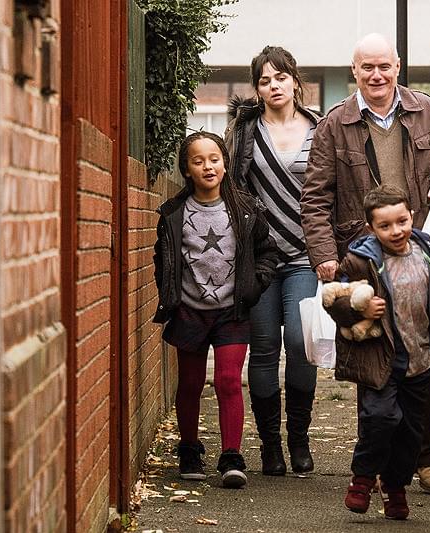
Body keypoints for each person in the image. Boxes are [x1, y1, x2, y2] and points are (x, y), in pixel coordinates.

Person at [300, 33, 430, 493]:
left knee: (425, 357)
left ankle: (425, 459)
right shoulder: (334, 124)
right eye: (367, 67)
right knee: (373, 361)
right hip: (364, 259)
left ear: (398, 66)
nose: (377, 75)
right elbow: (316, 197)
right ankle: (372, 464)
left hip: (419, 251)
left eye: (384, 66)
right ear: (354, 71)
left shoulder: (429, 110)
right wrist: (325, 257)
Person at [323, 185, 430, 519]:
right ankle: (363, 477)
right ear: (371, 228)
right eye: (385, 226)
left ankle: (395, 486)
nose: (396, 231)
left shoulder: (429, 249)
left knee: (411, 433)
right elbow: (334, 298)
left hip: (421, 360)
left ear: (411, 216)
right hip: (382, 359)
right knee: (380, 418)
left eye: (401, 221)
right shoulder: (360, 260)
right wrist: (359, 308)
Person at [152, 131, 278, 488]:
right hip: (189, 310)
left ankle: (231, 456)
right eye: (198, 161)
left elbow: (267, 251)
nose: (207, 166)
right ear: (186, 169)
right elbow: (162, 258)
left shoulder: (246, 208)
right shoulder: (174, 213)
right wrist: (170, 292)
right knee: (191, 383)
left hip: (231, 311)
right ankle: (189, 450)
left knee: (228, 380)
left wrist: (254, 286)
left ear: (224, 165)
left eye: (214, 159)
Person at [225, 46, 321, 476]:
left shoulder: (320, 128)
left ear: (295, 81)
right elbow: (232, 186)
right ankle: (271, 448)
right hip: (260, 258)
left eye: (280, 77)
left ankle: (299, 439)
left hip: (305, 255)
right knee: (264, 349)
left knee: (301, 344)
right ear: (257, 88)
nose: (273, 85)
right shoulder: (244, 131)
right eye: (264, 80)